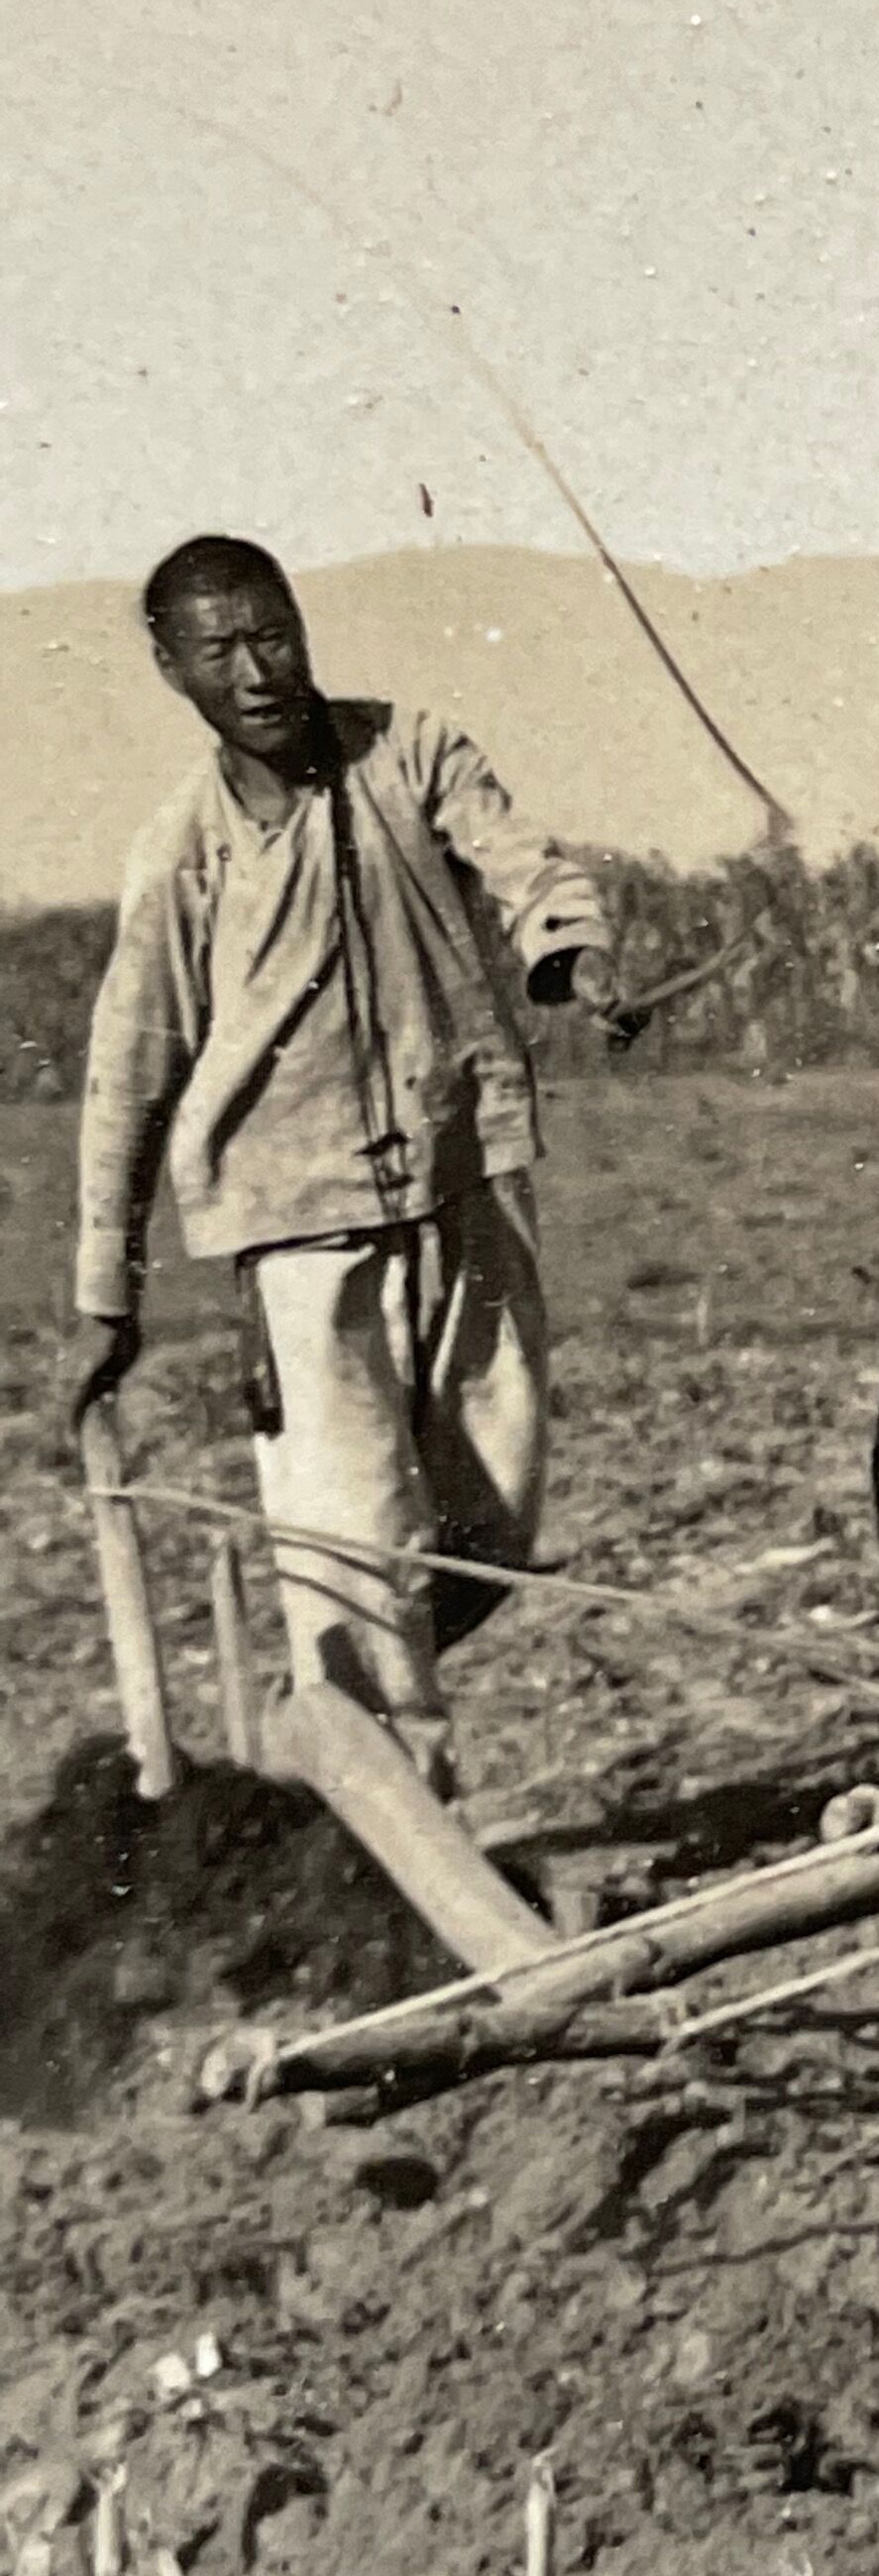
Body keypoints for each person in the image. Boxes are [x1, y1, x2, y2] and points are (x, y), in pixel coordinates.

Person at [62, 534, 624, 1799]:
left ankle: (325, 1734)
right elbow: (128, 1073)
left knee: (497, 1522)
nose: (259, 671)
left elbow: (525, 866)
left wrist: (574, 959)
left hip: (469, 1181)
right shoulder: (183, 852)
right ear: (172, 671)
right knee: (354, 1546)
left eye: (276, 636)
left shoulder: (410, 752)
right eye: (221, 651)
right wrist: (109, 1293)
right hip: (300, 1236)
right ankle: (399, 1825)